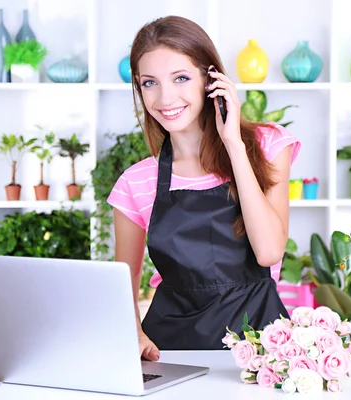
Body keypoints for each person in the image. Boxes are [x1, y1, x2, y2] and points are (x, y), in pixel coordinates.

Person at [107, 15, 301, 360]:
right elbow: (122, 282)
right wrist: (135, 335)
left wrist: (234, 146)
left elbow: (269, 251)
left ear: (210, 79)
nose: (165, 98)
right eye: (149, 83)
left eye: (180, 78)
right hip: (170, 351)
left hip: (258, 349)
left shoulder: (268, 145)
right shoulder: (135, 182)